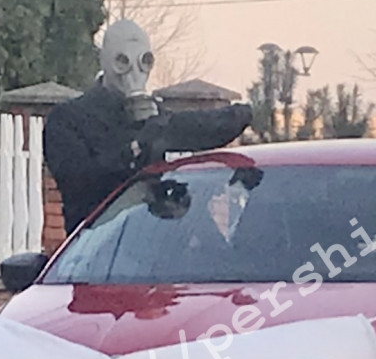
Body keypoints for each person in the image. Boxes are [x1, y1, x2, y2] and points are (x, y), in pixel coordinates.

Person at [43, 19, 253, 232]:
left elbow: (200, 129)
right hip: (99, 249)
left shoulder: (156, 120)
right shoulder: (68, 120)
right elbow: (78, 181)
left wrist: (242, 115)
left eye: (144, 61)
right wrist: (133, 151)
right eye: (123, 61)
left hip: (151, 247)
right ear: (104, 61)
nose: (134, 72)